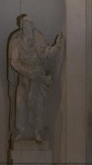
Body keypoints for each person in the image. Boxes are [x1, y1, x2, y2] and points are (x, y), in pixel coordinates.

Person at [5, 14, 65, 148]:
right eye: (26, 23)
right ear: (22, 26)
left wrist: (57, 46)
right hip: (24, 77)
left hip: (38, 77)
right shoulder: (16, 42)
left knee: (38, 104)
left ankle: (38, 131)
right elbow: (14, 62)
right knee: (20, 104)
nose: (29, 26)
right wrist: (28, 72)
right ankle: (21, 131)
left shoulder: (39, 39)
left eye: (31, 23)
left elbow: (45, 55)